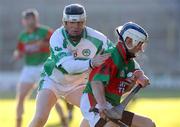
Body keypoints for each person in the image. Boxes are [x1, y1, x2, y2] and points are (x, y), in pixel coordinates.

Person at [29, 4, 113, 127]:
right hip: (53, 81)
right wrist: (91, 63)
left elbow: (118, 54)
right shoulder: (57, 37)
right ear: (64, 22)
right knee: (40, 118)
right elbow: (68, 66)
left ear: (84, 22)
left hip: (78, 85)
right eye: (71, 23)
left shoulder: (97, 38)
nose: (75, 27)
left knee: (98, 113)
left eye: (79, 23)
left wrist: (138, 73)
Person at [80, 22, 156, 127]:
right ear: (129, 41)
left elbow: (134, 73)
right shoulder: (110, 56)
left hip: (112, 107)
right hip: (95, 102)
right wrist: (102, 105)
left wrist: (139, 77)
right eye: (140, 44)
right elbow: (96, 82)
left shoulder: (128, 61)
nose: (141, 49)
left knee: (148, 124)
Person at [13, 9, 53, 127]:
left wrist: (44, 44)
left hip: (43, 67)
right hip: (29, 68)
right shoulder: (23, 36)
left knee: (51, 97)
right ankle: (18, 123)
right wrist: (17, 54)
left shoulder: (45, 32)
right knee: (20, 96)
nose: (30, 21)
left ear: (36, 19)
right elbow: (19, 50)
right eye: (28, 19)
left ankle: (64, 119)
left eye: (32, 18)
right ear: (23, 21)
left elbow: (55, 44)